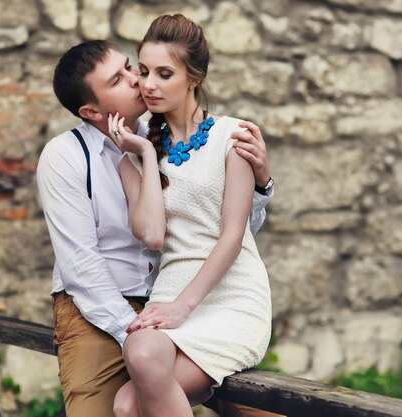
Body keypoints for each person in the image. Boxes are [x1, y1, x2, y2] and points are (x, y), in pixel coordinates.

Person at [36, 38, 277, 417]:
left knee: (257, 406)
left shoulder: (166, 135)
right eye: (118, 79)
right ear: (91, 110)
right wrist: (136, 330)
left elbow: (220, 232)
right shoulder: (65, 156)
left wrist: (261, 186)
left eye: (131, 67)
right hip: (98, 310)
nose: (137, 81)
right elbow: (81, 267)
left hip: (180, 301)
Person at [106, 14, 273, 417]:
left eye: (165, 73)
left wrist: (184, 306)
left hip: (230, 295)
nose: (148, 84)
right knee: (131, 382)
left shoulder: (232, 137)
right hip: (171, 288)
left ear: (193, 77)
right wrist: (144, 153)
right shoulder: (139, 145)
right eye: (143, 71)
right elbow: (151, 235)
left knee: (130, 407)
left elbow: (233, 235)